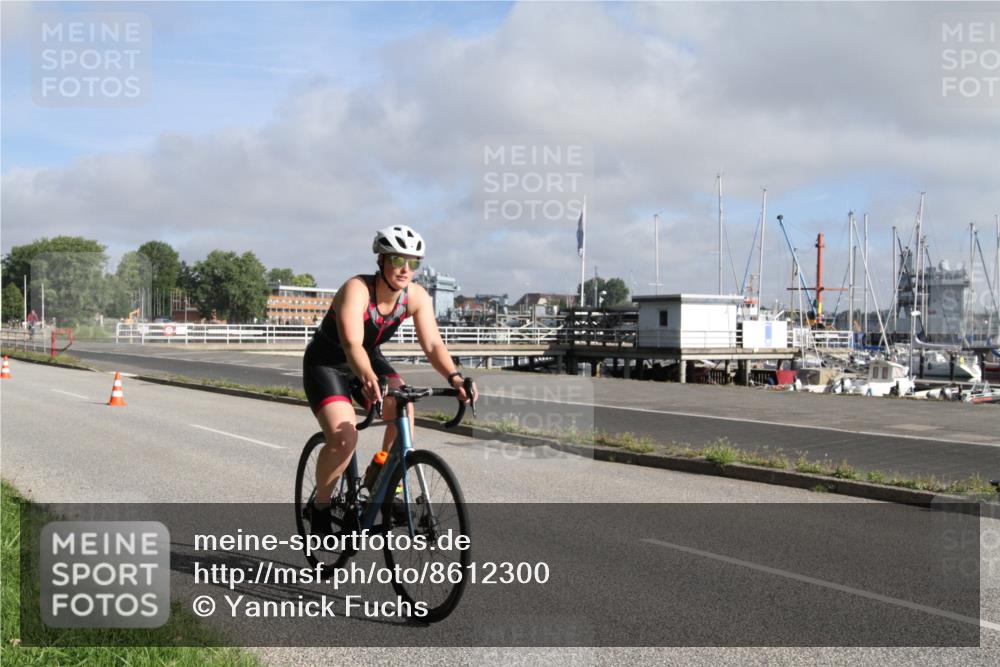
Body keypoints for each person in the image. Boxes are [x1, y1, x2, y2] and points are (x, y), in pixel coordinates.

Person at [302, 224, 477, 535]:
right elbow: (352, 344)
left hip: (368, 359)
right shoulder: (357, 289)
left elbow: (434, 345)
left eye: (413, 262)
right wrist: (367, 377)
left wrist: (454, 377)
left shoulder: (416, 297)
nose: (405, 269)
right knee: (344, 439)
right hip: (328, 364)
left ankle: (381, 474)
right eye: (397, 259)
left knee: (405, 408)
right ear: (381, 260)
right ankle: (321, 507)